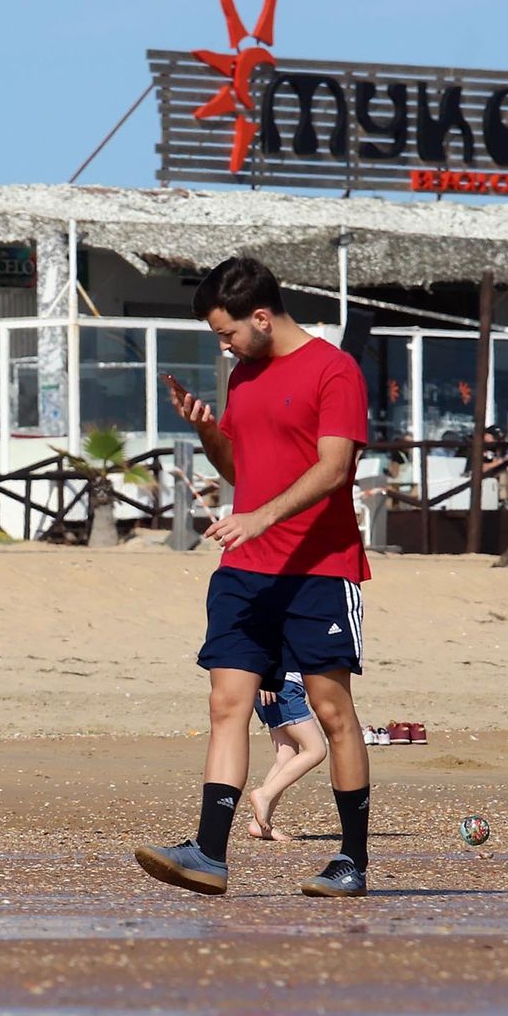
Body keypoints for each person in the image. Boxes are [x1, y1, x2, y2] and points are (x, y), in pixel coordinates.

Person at [134, 255, 373, 899]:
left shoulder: (334, 370)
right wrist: (209, 433)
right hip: (245, 570)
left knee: (330, 710)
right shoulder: (244, 373)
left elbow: (332, 468)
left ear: (261, 317)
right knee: (225, 705)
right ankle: (210, 853)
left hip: (318, 570)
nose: (225, 344)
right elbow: (241, 469)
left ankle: (351, 859)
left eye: (228, 332)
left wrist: (261, 517)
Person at [247, 672, 327, 842]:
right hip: (282, 686)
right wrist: (266, 675)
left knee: (286, 757)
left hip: (278, 686)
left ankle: (259, 823)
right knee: (317, 750)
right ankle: (264, 794)